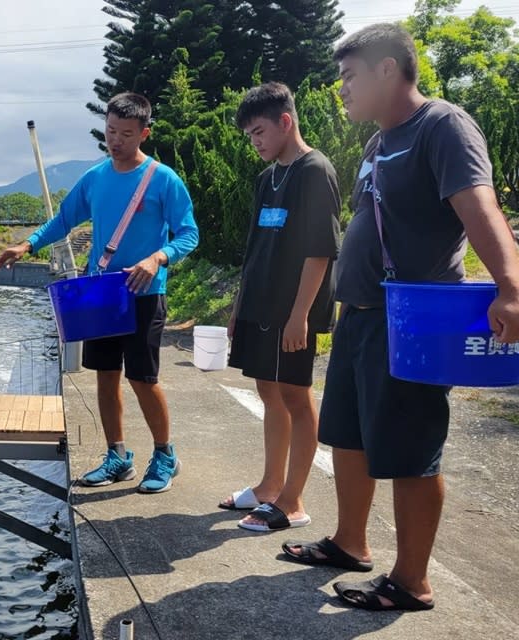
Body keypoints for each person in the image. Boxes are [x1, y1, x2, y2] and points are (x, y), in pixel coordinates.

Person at [282, 23, 519, 611]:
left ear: (388, 69)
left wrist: (511, 287)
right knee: (349, 436)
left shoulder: (442, 126)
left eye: (349, 75)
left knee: (411, 450)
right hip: (360, 314)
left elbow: (478, 205)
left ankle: (411, 581)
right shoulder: (377, 143)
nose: (341, 89)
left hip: (412, 316)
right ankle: (349, 543)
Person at [0, 92, 199, 493]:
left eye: (125, 133)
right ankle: (117, 455)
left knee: (143, 378)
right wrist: (27, 245)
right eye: (110, 131)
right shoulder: (96, 177)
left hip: (143, 293)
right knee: (105, 377)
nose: (116, 140)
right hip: (103, 294)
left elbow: (189, 234)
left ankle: (164, 455)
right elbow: (64, 219)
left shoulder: (163, 179)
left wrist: (158, 257)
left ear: (144, 132)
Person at [221, 82, 341, 533]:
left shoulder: (315, 170)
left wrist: (300, 315)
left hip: (293, 310)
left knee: (295, 393)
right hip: (260, 304)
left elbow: (321, 250)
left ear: (285, 122)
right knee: (267, 391)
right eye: (250, 135)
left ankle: (292, 502)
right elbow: (254, 247)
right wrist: (238, 306)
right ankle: (269, 486)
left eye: (258, 132)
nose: (255, 142)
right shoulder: (266, 177)